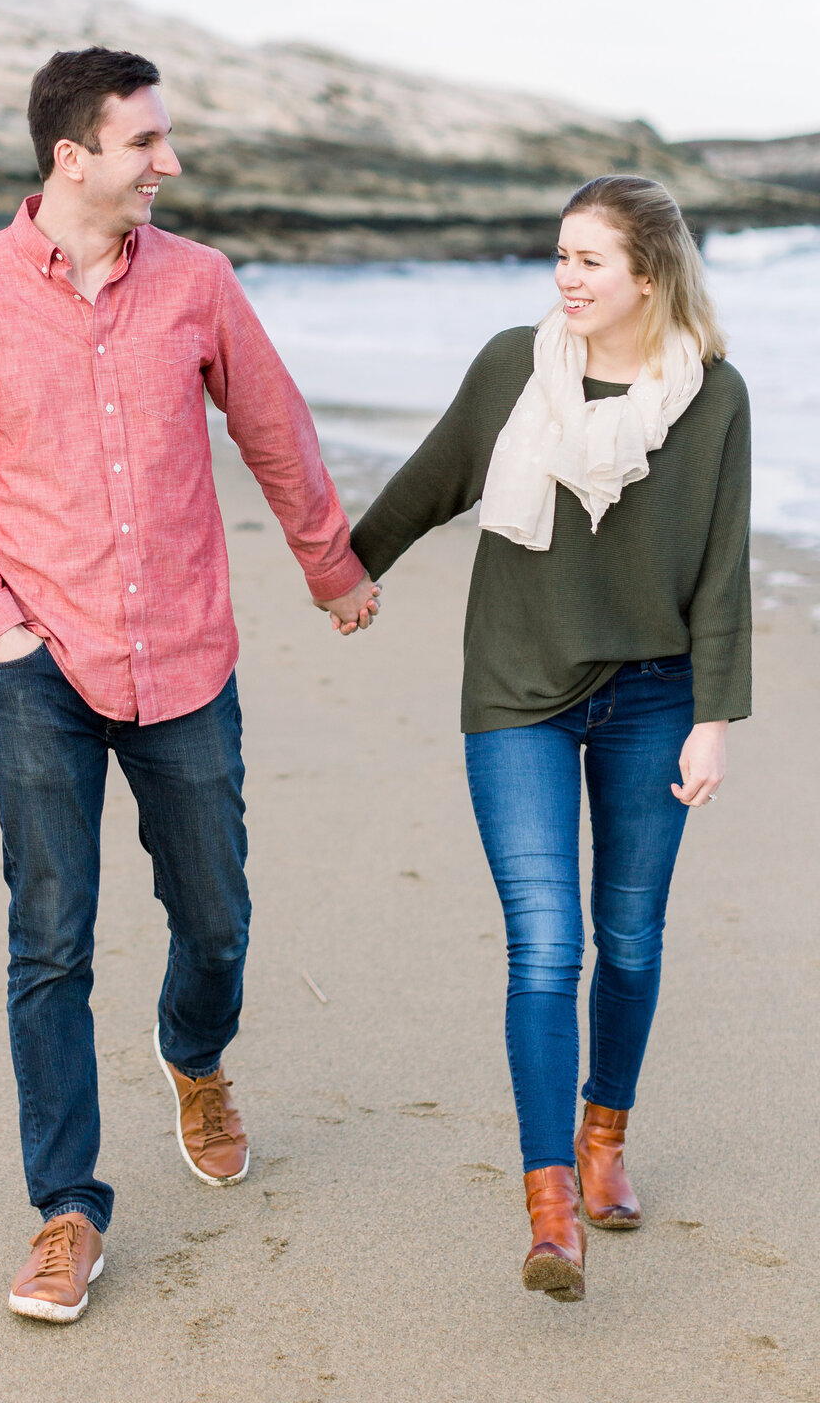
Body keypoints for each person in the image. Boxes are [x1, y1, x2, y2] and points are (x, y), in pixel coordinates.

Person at [0, 46, 379, 1323]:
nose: (168, 161)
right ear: (74, 156)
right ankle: (65, 1211)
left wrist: (331, 566)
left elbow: (274, 427)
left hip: (185, 659)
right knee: (48, 943)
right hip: (39, 668)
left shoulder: (199, 285)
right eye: (146, 141)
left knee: (215, 916)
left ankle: (196, 1059)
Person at [351, 175, 750, 1303]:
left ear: (649, 277)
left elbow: (721, 571)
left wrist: (713, 721)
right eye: (560, 256)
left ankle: (605, 1138)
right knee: (547, 946)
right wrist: (344, 571)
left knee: (627, 938)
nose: (565, 278)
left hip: (657, 698)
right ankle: (550, 1207)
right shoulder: (510, 369)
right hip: (519, 693)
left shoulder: (713, 400)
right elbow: (433, 483)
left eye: (589, 261)